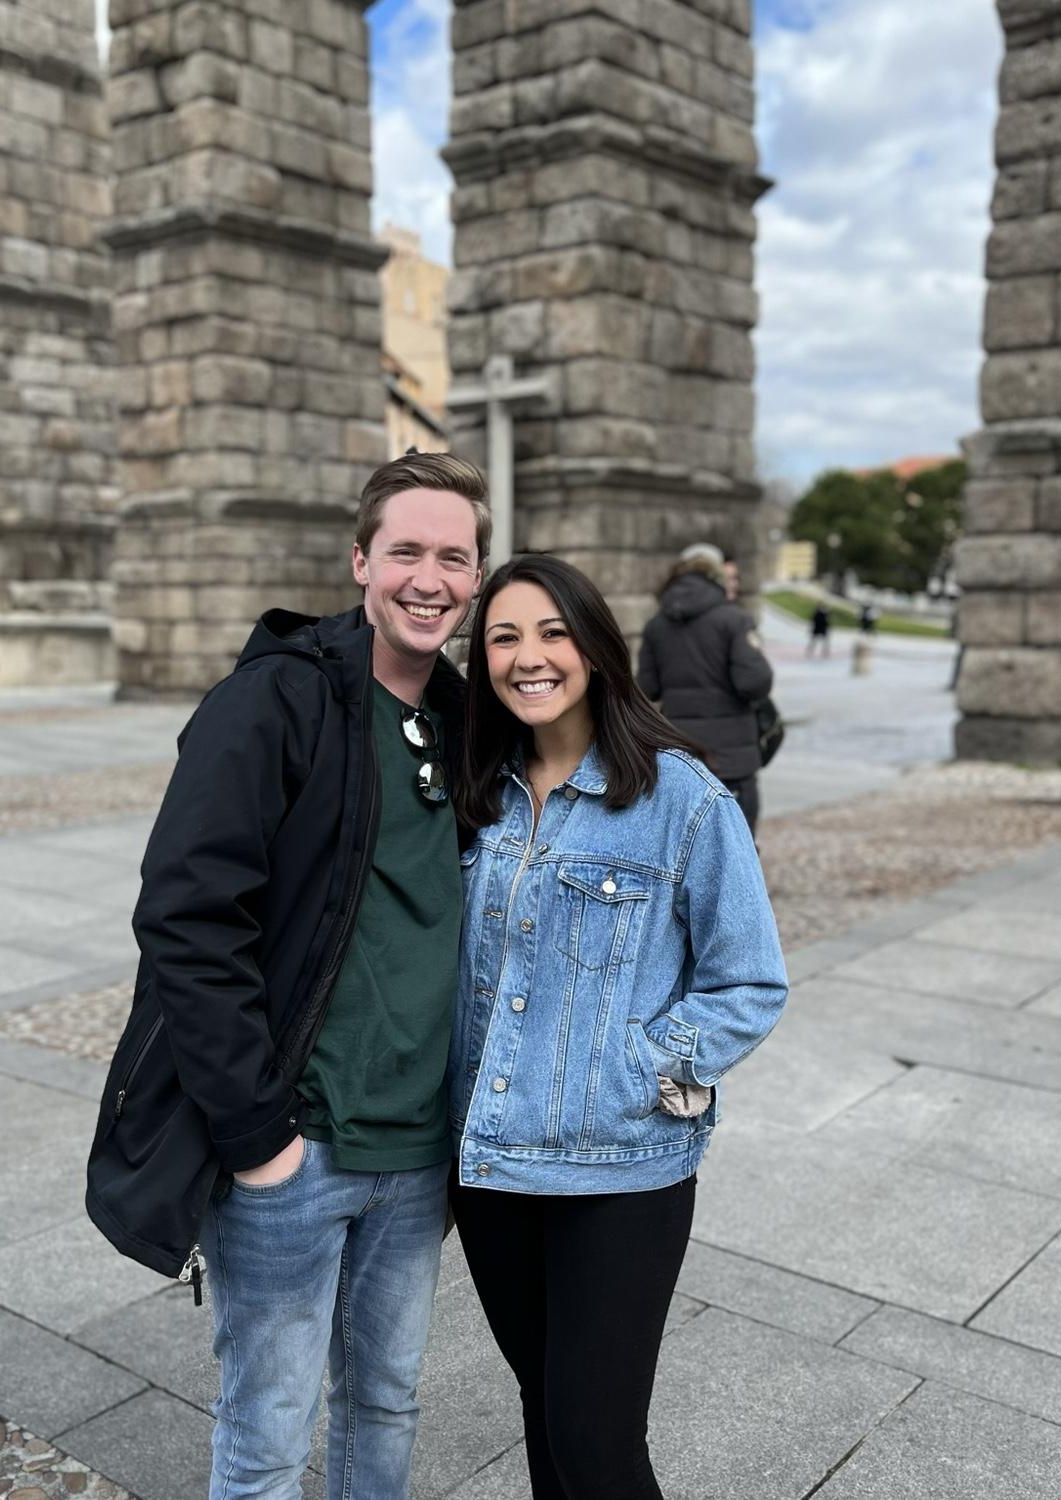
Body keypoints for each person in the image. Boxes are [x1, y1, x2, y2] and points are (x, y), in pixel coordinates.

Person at [85, 452, 490, 1500]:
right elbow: (185, 918)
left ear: (476, 577)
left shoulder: (467, 722)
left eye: (454, 558)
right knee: (266, 1436)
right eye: (406, 551)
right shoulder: (275, 700)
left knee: (386, 1405)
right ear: (360, 561)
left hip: (419, 1156)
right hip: (294, 1149)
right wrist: (259, 1138)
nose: (429, 579)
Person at [450, 554, 789, 1500]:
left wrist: (634, 1069)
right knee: (545, 1411)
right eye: (504, 638)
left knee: (597, 1446)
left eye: (552, 633)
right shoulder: (479, 793)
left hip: (620, 1171)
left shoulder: (682, 798)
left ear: (596, 648)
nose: (528, 657)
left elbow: (749, 981)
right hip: (491, 1169)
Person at [637, 543, 774, 835]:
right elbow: (755, 682)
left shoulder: (656, 625)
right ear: (717, 576)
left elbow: (648, 687)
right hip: (732, 760)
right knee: (737, 843)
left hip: (679, 754)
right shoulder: (734, 619)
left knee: (684, 844)